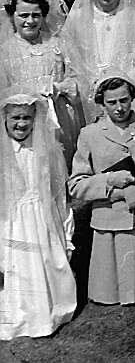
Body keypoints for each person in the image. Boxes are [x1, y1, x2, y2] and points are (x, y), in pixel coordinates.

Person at [68, 74, 135, 305]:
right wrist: (109, 182)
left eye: (124, 100)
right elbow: (76, 185)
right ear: (101, 103)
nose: (119, 108)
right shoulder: (90, 134)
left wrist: (128, 194)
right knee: (112, 281)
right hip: (108, 218)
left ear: (133, 98)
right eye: (111, 102)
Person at [0, 89, 76, 339]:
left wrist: (66, 232)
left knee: (45, 263)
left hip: (41, 218)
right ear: (5, 120)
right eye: (15, 118)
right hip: (11, 221)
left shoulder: (46, 151)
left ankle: (50, 312)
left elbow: (58, 195)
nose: (22, 124)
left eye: (27, 118)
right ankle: (21, 316)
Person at [60, 0, 135, 121]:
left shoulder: (133, 15)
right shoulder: (78, 17)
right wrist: (89, 80)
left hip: (123, 87)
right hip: (88, 85)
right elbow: (71, 55)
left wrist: (120, 81)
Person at [0, 0, 80, 152]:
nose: (30, 21)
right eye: (23, 15)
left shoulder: (58, 44)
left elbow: (76, 79)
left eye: (36, 15)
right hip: (22, 121)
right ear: (12, 16)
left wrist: (58, 88)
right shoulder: (4, 50)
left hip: (59, 116)